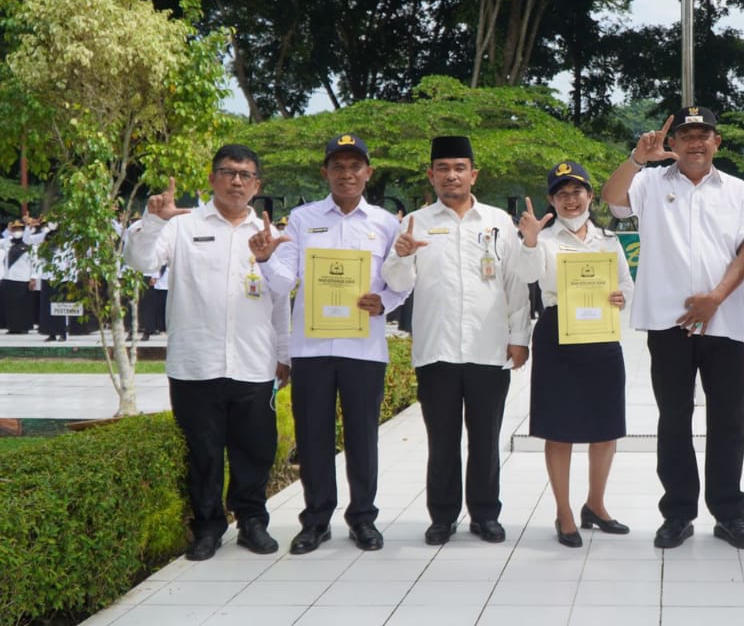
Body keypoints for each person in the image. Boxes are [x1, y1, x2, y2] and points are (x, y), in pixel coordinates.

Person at [601, 106, 744, 550]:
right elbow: (611, 198)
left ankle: (730, 513)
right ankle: (677, 514)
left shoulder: (736, 189)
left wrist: (715, 298)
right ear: (672, 144)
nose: (695, 142)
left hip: (724, 321)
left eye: (703, 135)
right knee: (674, 420)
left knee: (729, 420)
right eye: (686, 135)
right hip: (668, 323)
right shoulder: (650, 183)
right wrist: (637, 159)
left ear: (717, 142)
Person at [124, 145, 291, 561]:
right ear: (212, 178)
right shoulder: (183, 226)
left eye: (245, 175)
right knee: (203, 452)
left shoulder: (269, 233)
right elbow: (140, 261)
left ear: (257, 185)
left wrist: (285, 354)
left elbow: (281, 298)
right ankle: (208, 527)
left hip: (253, 363)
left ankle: (253, 522)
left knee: (255, 449)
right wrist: (152, 219)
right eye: (228, 172)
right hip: (196, 362)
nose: (237, 181)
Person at [249, 133, 408, 555]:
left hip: (364, 349)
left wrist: (386, 302)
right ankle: (316, 520)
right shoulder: (301, 220)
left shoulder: (386, 223)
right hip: (313, 349)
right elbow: (285, 282)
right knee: (314, 436)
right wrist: (266, 260)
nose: (347, 173)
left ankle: (363, 519)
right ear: (325, 172)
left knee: (362, 438)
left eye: (355, 166)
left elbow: (401, 281)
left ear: (368, 173)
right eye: (338, 166)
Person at [382, 135, 530, 546]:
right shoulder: (415, 222)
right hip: (437, 350)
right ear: (431, 175)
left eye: (459, 167)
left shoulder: (498, 221)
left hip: (490, 349)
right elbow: (397, 284)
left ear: (473, 173)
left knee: (485, 439)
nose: (451, 175)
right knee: (442, 440)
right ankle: (442, 517)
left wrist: (520, 338)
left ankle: (485, 514)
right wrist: (402, 254)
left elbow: (515, 285)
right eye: (443, 168)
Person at [511, 161, 634, 548]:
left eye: (577, 191)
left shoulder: (608, 240)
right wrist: (530, 240)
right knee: (559, 429)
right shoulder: (542, 239)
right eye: (561, 193)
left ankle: (595, 505)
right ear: (551, 199)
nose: (570, 199)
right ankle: (564, 512)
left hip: (600, 334)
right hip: (558, 334)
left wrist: (619, 297)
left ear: (590, 196)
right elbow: (529, 276)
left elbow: (626, 287)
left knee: (606, 426)